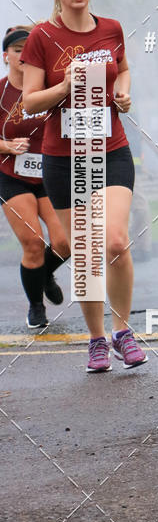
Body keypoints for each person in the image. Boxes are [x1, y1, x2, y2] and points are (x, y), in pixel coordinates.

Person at [21, 0, 147, 372]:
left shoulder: (111, 28)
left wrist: (124, 93)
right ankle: (96, 341)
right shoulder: (41, 36)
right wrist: (64, 85)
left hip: (111, 150)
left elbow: (123, 69)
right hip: (63, 159)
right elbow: (29, 102)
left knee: (114, 242)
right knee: (86, 252)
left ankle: (124, 331)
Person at [0, 26, 70, 328]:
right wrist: (7, 146)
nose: (22, 55)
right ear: (6, 56)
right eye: (16, 50)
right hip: (10, 175)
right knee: (33, 242)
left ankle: (43, 275)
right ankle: (36, 306)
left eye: (27, 49)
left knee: (65, 242)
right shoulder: (1, 90)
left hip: (48, 172)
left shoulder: (48, 88)